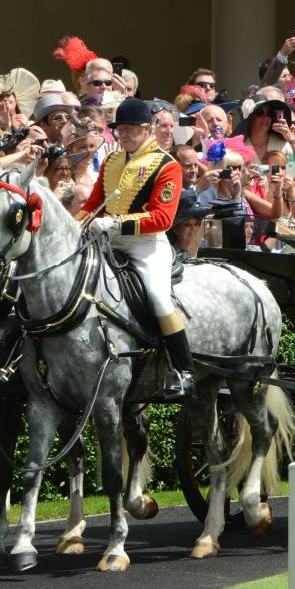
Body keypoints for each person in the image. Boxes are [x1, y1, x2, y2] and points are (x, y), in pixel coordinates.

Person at [79, 98, 191, 400]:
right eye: (120, 130)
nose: (123, 135)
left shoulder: (168, 165)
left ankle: (182, 369)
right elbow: (92, 206)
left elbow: (162, 218)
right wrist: (75, 224)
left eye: (130, 129)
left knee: (157, 297)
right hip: (107, 242)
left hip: (146, 245)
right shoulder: (112, 161)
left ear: (147, 130)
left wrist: (115, 224)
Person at [166, 188, 209, 258]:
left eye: (196, 224)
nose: (193, 228)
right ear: (175, 229)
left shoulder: (204, 246)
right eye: (187, 225)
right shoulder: (169, 253)